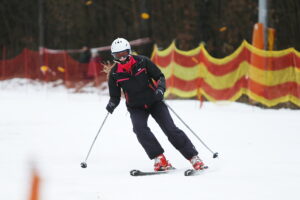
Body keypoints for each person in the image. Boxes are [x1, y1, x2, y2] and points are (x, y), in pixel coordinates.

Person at [105, 38, 205, 171]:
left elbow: (160, 77)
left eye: (124, 54)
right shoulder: (115, 73)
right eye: (118, 55)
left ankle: (193, 158)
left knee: (170, 129)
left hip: (154, 101)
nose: (122, 58)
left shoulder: (142, 61)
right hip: (136, 107)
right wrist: (112, 103)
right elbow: (115, 96)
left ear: (129, 51)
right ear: (114, 56)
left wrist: (160, 89)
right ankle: (160, 159)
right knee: (140, 130)